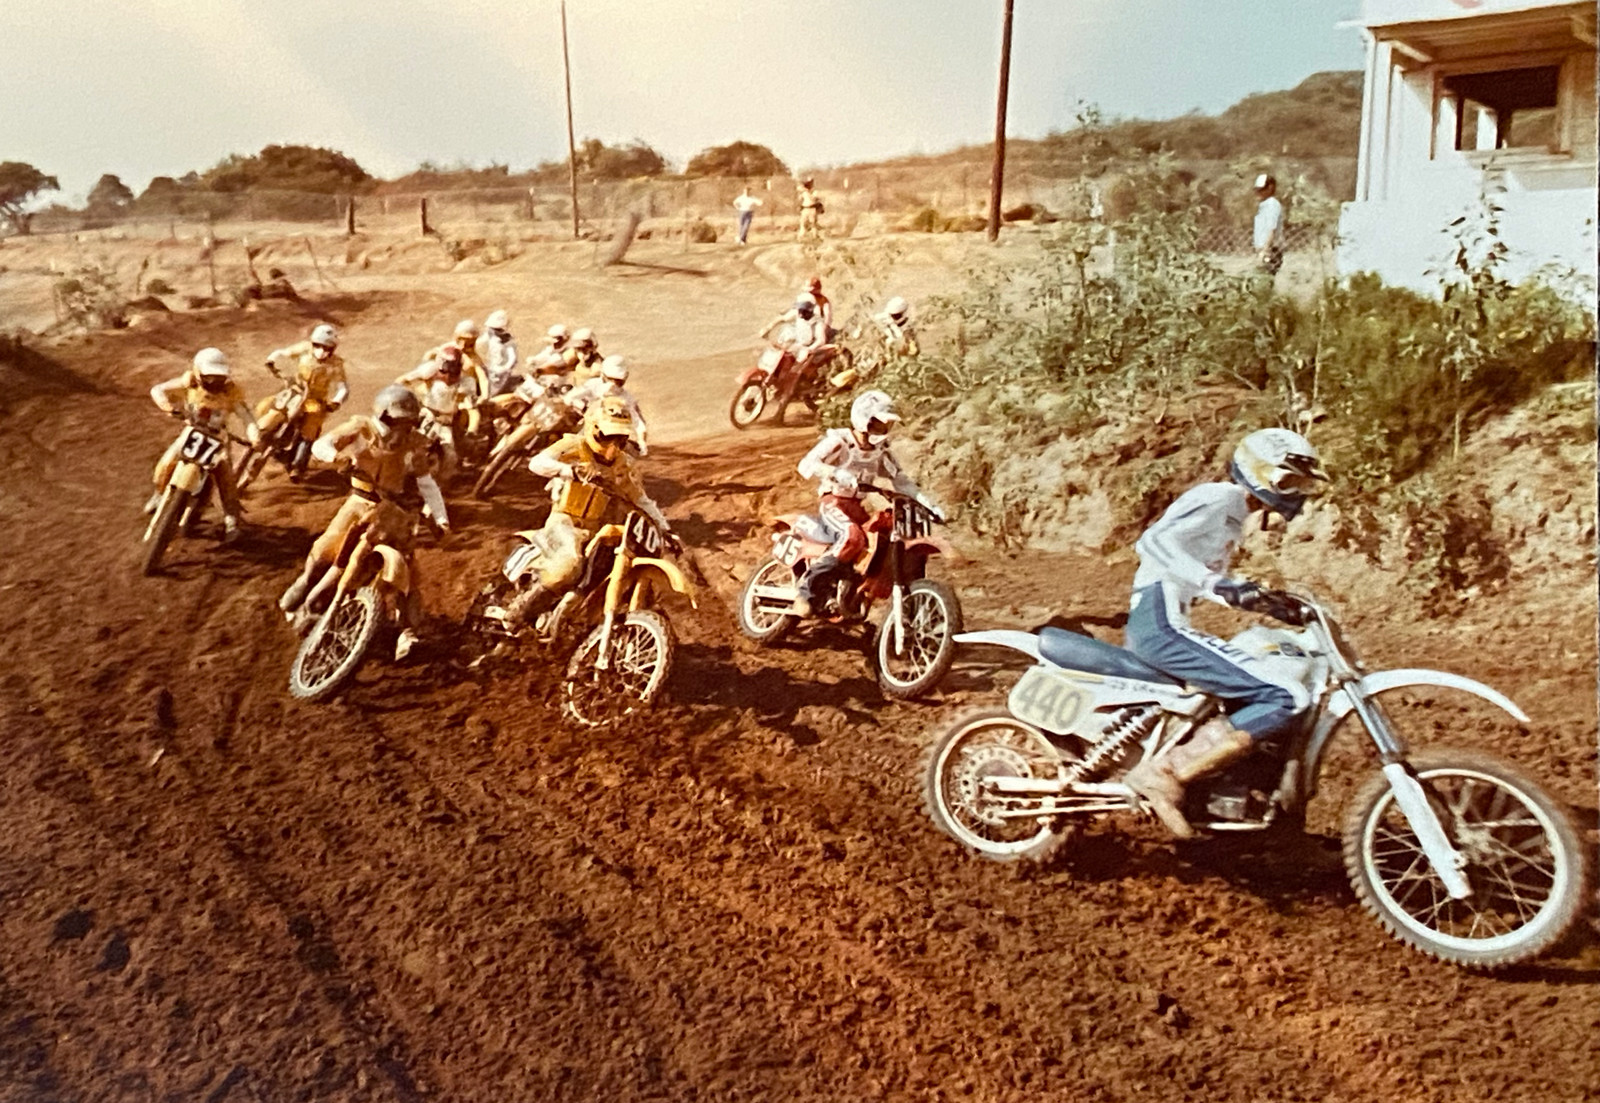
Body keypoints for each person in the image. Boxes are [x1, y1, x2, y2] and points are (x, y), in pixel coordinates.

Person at [1121, 427, 1329, 838]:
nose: (1294, 494)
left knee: (1254, 678)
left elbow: (1208, 580)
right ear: (1256, 471)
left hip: (1167, 618)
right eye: (1287, 481)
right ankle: (1165, 771)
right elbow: (1154, 542)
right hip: (1160, 623)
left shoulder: (1234, 516)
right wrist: (1215, 584)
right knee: (1284, 695)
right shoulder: (1222, 497)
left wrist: (1268, 602)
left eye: (1300, 485)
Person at [278, 385, 449, 662]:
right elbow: (323, 444)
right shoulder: (361, 428)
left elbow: (426, 482)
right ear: (384, 416)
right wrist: (338, 456)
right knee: (326, 550)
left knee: (408, 569)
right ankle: (303, 586)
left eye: (407, 422)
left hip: (393, 511)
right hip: (359, 502)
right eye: (397, 421)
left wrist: (440, 517)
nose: (401, 429)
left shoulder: (416, 443)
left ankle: (408, 632)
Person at [485, 395, 676, 634]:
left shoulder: (624, 465)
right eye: (608, 437)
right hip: (563, 520)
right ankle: (518, 611)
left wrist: (666, 530)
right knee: (570, 566)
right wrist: (569, 471)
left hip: (594, 529)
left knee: (610, 569)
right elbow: (537, 463)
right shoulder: (575, 446)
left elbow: (641, 500)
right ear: (594, 429)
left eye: (621, 438)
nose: (613, 445)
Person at [792, 390, 940, 617]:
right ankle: (805, 591)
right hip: (834, 502)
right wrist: (836, 473)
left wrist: (928, 504)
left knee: (885, 540)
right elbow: (806, 465)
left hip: (857, 507)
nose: (883, 431)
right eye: (879, 424)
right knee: (852, 537)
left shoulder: (880, 451)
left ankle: (862, 593)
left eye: (886, 425)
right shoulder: (839, 441)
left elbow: (901, 481)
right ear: (864, 420)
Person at [146, 347, 260, 543]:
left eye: (218, 378)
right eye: (209, 377)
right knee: (167, 462)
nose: (214, 383)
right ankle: (159, 492)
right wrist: (168, 407)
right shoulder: (189, 384)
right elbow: (158, 390)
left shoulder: (231, 393)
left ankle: (231, 520)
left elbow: (247, 417)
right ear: (198, 372)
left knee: (226, 477)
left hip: (218, 439)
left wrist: (255, 436)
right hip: (192, 432)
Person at [257, 322, 349, 479]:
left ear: (333, 349)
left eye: (327, 348)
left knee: (311, 426)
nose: (321, 351)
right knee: (271, 406)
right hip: (295, 392)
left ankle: (298, 465)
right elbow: (283, 353)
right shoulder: (304, 349)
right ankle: (261, 434)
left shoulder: (336, 364)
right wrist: (271, 360)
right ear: (312, 344)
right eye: (318, 346)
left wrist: (336, 402)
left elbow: (343, 388)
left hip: (314, 400)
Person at [397, 345, 480, 476]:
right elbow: (403, 380)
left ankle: (442, 484)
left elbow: (472, 410)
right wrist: (399, 393)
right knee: (405, 443)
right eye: (444, 371)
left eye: (453, 372)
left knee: (451, 456)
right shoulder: (429, 371)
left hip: (445, 422)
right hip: (424, 414)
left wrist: (472, 430)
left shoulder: (466, 383)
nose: (447, 376)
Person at [565, 355, 648, 455]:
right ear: (603, 375)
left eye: (618, 381)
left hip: (615, 433)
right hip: (591, 429)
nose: (614, 384)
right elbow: (569, 397)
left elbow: (638, 423)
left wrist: (642, 442)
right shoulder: (593, 385)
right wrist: (584, 408)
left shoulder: (626, 398)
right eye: (611, 379)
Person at [476, 309, 519, 397]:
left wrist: (505, 368)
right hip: (492, 367)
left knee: (493, 392)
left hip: (501, 371)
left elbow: (512, 358)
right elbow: (479, 342)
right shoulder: (490, 335)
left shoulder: (509, 342)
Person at [1252, 173, 1285, 283]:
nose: (1258, 192)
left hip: (1270, 250)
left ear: (1270, 188)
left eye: (1262, 189)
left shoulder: (1272, 205)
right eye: (1258, 189)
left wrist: (1265, 250)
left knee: (1263, 281)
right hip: (1263, 249)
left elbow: (1272, 228)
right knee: (1261, 280)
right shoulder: (1264, 205)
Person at [796, 176, 822, 242]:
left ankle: (804, 237)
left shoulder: (806, 192)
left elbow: (800, 200)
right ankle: (813, 236)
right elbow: (817, 199)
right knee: (809, 224)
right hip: (810, 209)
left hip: (808, 209)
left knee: (806, 224)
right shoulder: (813, 192)